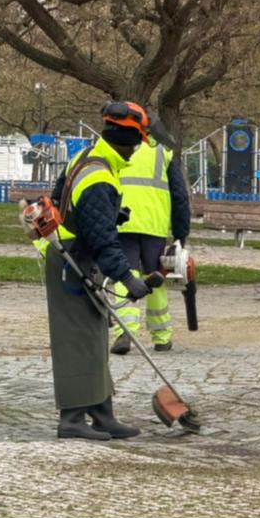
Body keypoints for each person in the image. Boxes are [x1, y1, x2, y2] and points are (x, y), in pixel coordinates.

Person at [44, 100, 153, 441]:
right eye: (137, 142)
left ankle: (102, 415)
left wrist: (107, 214)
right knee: (78, 340)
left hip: (74, 254)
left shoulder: (88, 157)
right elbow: (104, 241)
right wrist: (127, 278)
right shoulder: (100, 177)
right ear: (126, 139)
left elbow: (62, 197)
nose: (136, 150)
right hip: (71, 261)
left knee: (95, 337)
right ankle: (72, 420)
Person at [108, 116, 191, 355]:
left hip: (122, 222)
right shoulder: (163, 154)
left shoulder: (115, 149)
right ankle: (162, 336)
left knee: (125, 275)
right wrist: (180, 234)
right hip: (154, 226)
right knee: (156, 277)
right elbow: (179, 197)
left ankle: (125, 331)